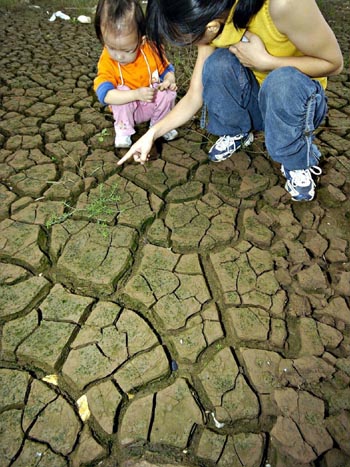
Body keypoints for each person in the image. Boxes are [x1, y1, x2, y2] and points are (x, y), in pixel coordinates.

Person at [118, 0, 343, 202]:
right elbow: (195, 95)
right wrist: (151, 134)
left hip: (296, 103)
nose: (191, 44)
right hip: (259, 98)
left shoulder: (283, 5)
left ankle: (297, 162)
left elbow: (333, 63)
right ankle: (238, 130)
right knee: (217, 63)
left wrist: (267, 61)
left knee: (282, 82)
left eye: (187, 39)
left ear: (211, 26)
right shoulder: (211, 14)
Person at [94, 0, 178, 149]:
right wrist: (135, 94)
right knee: (121, 91)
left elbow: (167, 71)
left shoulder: (151, 50)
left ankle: (160, 125)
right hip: (127, 112)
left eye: (127, 50)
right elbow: (105, 95)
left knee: (168, 93)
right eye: (111, 47)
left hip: (149, 103)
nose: (119, 56)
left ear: (141, 40)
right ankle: (123, 132)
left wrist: (168, 81)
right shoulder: (107, 61)